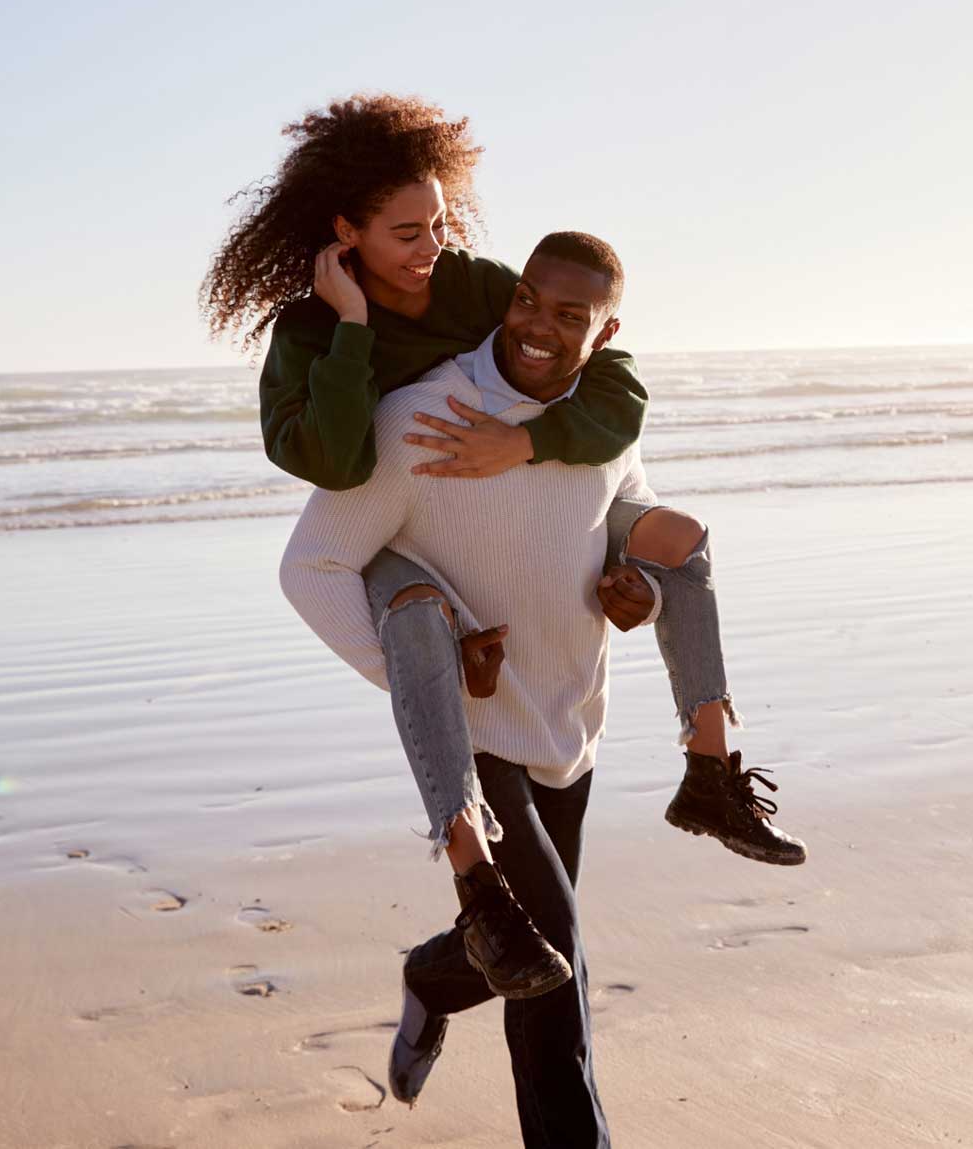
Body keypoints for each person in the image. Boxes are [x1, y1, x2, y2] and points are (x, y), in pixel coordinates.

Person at [202, 95, 803, 1003]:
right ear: (344, 233)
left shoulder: (480, 287)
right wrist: (355, 324)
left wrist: (531, 453)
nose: (430, 247)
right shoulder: (310, 332)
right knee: (547, 938)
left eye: (439, 223)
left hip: (505, 572)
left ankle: (706, 767)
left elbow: (607, 375)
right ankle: (470, 887)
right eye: (405, 231)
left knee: (684, 544)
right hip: (386, 537)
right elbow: (332, 459)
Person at [281, 235, 798, 1145]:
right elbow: (313, 565)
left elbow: (617, 510)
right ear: (509, 296)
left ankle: (436, 977)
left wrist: (631, 587)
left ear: (606, 333)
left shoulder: (600, 420)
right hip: (481, 736)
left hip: (571, 723)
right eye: (529, 300)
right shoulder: (421, 421)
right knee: (557, 969)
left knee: (521, 950)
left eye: (571, 316)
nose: (539, 327)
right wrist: (419, 680)